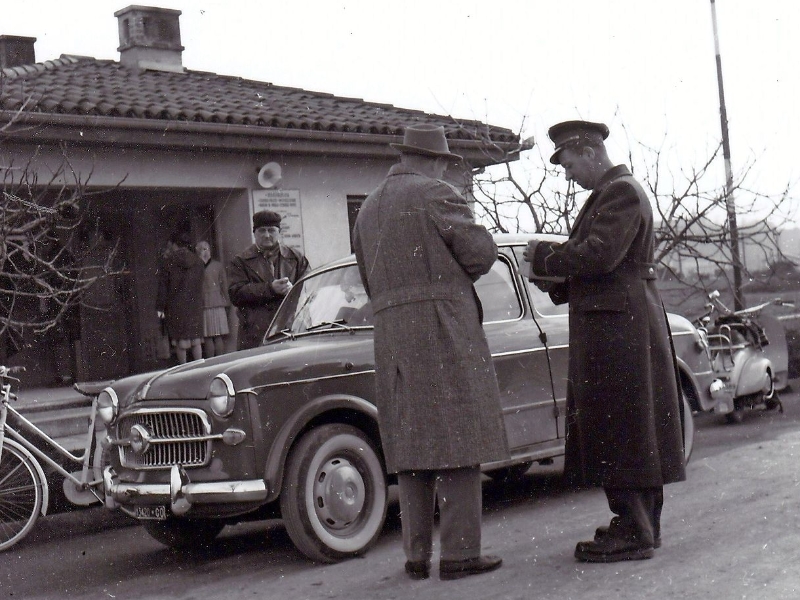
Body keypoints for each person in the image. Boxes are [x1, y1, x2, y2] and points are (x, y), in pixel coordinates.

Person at [522, 120, 686, 563]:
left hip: (618, 328)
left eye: (570, 163)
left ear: (591, 152)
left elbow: (599, 254)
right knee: (632, 424)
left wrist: (542, 256)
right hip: (621, 320)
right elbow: (603, 264)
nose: (569, 173)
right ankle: (641, 524)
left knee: (621, 425)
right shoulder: (615, 192)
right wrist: (553, 280)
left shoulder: (620, 192)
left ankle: (633, 529)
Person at [352, 124, 508, 581]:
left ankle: (416, 556)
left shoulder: (366, 210)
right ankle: (460, 554)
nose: (445, 169)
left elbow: (366, 277)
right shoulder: (437, 194)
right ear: (432, 160)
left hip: (392, 335)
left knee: (411, 441)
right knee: (458, 434)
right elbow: (481, 254)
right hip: (443, 327)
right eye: (442, 162)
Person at [228, 210, 310, 350]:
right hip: (255, 333)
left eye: (271, 230)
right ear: (254, 233)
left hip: (290, 329)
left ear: (279, 232)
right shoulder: (240, 261)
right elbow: (235, 294)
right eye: (262, 231)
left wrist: (294, 290)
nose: (267, 235)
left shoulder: (296, 258)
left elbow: (310, 288)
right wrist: (270, 289)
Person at [157, 231, 205, 364]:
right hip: (195, 305)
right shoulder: (199, 262)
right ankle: (200, 368)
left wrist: (160, 307)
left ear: (174, 245)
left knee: (180, 341)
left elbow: (163, 288)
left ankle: (183, 368)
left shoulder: (168, 263)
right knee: (196, 340)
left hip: (175, 306)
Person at [195, 240, 230, 357]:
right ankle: (218, 361)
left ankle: (213, 362)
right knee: (215, 336)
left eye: (206, 249)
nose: (204, 252)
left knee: (210, 337)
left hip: (206, 304)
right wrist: (227, 301)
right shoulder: (217, 266)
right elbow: (224, 285)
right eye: (202, 249)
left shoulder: (196, 267)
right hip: (215, 303)